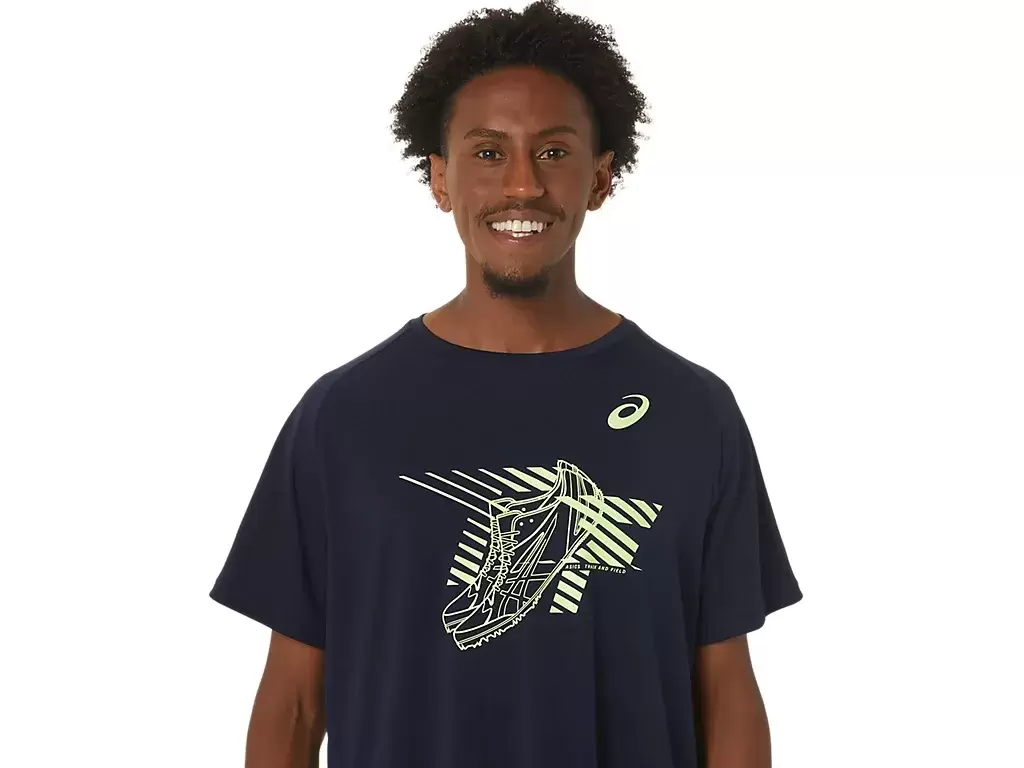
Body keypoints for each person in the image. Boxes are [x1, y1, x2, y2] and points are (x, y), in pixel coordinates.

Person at [209, 1, 803, 766]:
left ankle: (553, 519)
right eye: (488, 152)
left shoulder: (693, 413)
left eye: (552, 152)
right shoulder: (343, 417)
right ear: (440, 178)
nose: (522, 185)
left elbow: (726, 693)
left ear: (600, 178)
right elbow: (293, 703)